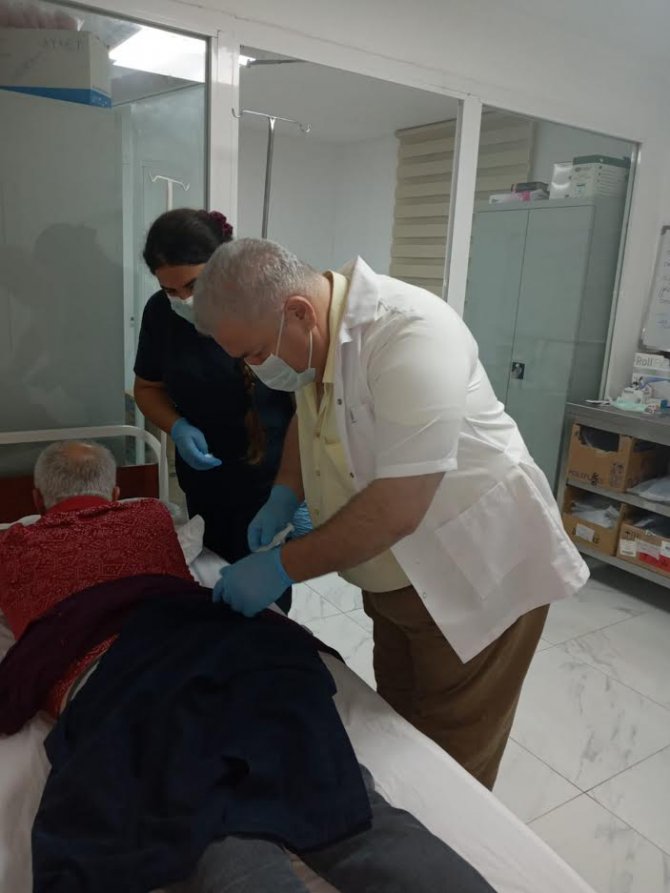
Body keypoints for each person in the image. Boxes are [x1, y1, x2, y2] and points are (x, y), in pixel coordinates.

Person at [0, 443, 494, 893]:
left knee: (212, 827)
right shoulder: (150, 514)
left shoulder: (12, 548)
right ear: (115, 493)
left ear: (38, 499)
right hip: (244, 655)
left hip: (125, 681)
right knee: (352, 815)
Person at [192, 238, 590, 790]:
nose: (255, 370)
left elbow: (398, 507)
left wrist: (282, 566)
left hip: (471, 572)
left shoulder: (413, 335)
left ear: (299, 312)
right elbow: (309, 415)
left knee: (452, 756)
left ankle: (447, 840)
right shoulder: (314, 343)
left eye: (255, 354)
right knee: (399, 722)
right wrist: (286, 491)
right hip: (394, 578)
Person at [134, 210, 307, 614]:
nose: (183, 299)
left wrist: (299, 490)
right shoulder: (161, 314)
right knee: (213, 584)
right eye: (170, 289)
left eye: (193, 285)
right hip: (206, 482)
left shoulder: (266, 306)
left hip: (272, 480)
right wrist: (177, 426)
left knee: (267, 601)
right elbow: (147, 388)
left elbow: (311, 404)